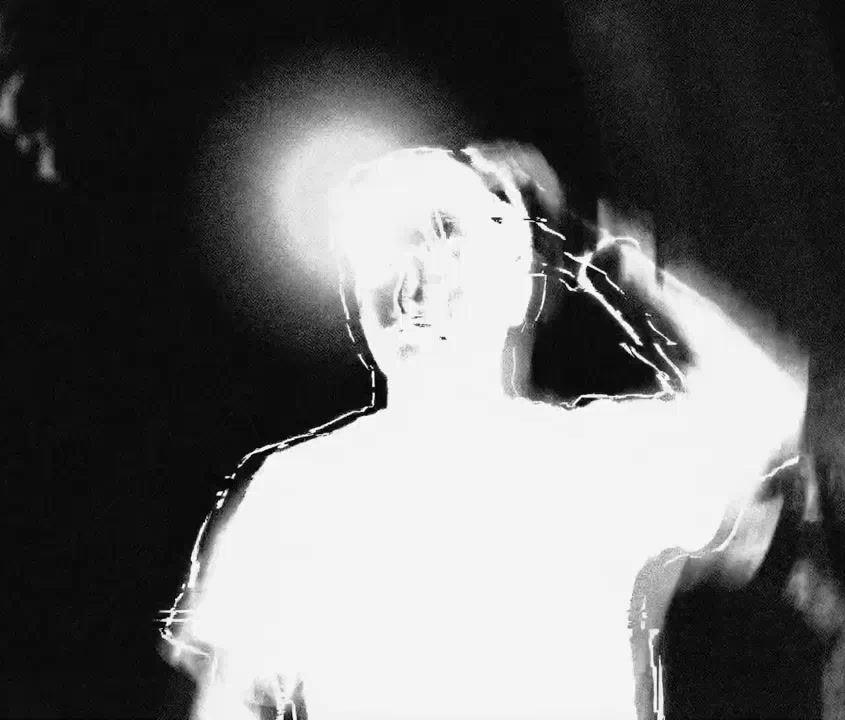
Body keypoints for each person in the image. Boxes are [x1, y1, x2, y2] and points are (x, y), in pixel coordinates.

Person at [160, 144, 808, 719]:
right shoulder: (295, 493)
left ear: (518, 279)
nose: (409, 287)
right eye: (384, 256)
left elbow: (766, 405)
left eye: (445, 242)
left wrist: (601, 247)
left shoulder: (598, 460)